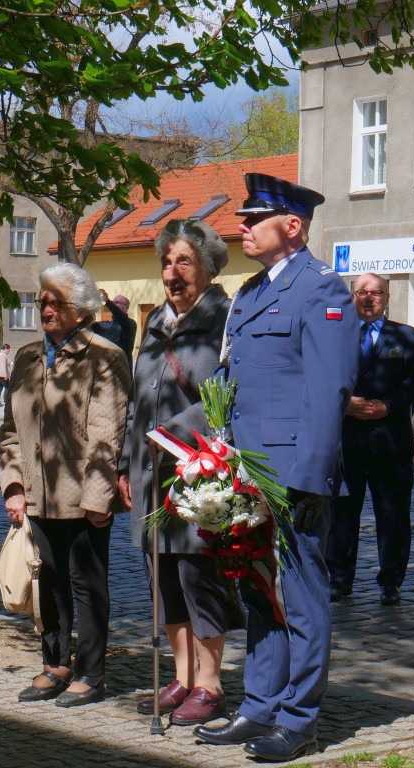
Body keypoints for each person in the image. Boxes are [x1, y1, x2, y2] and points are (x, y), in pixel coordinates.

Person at [193, 173, 356, 762]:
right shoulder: (253, 292)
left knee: (305, 595)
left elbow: (329, 387)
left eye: (252, 218)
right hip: (244, 470)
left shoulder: (323, 291)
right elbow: (231, 379)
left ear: (291, 226)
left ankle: (301, 717)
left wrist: (311, 474)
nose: (240, 227)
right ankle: (259, 703)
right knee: (258, 589)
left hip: (292, 471)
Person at [117, 219, 241, 726]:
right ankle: (183, 675)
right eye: (167, 262)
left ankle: (210, 684)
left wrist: (174, 431)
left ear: (208, 269)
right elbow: (136, 399)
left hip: (197, 470)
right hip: (151, 473)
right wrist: (126, 463)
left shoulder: (224, 322)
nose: (172, 272)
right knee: (161, 574)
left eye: (183, 261)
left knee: (197, 574)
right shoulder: (155, 324)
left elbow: (227, 395)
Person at [0, 263, 130, 707]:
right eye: (42, 302)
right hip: (37, 492)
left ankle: (92, 673)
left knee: (86, 585)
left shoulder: (104, 357)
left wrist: (98, 499)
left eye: (55, 302)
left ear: (81, 309)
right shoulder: (28, 356)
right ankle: (56, 662)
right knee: (49, 581)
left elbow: (106, 434)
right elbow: (10, 428)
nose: (46, 309)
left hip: (81, 496)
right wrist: (13, 484)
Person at [327, 273, 414, 606]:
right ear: (352, 297)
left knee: (393, 515)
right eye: (362, 292)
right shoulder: (333, 336)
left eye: (376, 293)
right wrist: (345, 404)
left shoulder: (410, 337)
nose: (369, 299)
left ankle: (391, 582)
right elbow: (320, 377)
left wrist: (391, 405)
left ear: (387, 297)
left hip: (390, 440)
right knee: (342, 514)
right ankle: (339, 579)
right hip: (346, 438)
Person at [91, 291, 137, 369]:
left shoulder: (130, 324)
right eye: (114, 302)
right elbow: (87, 325)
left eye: (118, 302)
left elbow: (120, 316)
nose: (114, 304)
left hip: (122, 368)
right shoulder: (104, 325)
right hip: (105, 368)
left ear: (127, 307)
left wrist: (108, 302)